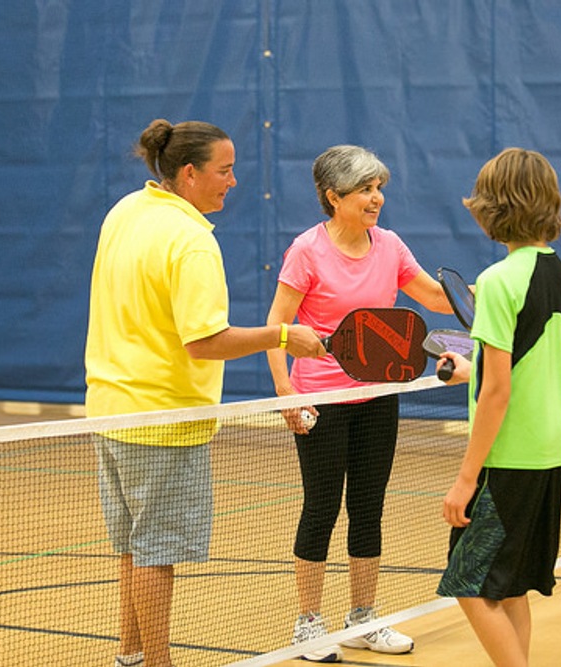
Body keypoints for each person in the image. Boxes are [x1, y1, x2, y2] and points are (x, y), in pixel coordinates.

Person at [85, 118, 325, 667]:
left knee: (134, 548)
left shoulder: (124, 211)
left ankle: (131, 657)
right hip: (164, 420)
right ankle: (161, 663)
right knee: (157, 555)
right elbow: (205, 342)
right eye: (225, 170)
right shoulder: (190, 240)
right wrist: (285, 335)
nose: (234, 181)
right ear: (189, 174)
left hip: (108, 411)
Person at [266, 144, 451, 662]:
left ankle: (363, 618)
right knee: (321, 508)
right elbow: (278, 328)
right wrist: (286, 395)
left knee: (368, 508)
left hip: (377, 396)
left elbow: (434, 297)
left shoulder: (389, 246)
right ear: (333, 196)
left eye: (378, 188)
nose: (377, 198)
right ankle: (308, 626)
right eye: (366, 190)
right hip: (321, 399)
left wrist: (490, 297)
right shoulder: (307, 251)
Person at [434, 147, 561, 667]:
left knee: (469, 582)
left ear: (495, 207)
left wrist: (466, 479)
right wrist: (465, 372)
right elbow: (521, 367)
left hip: (506, 459)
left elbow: (498, 393)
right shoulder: (558, 272)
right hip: (548, 448)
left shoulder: (497, 281)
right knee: (509, 588)